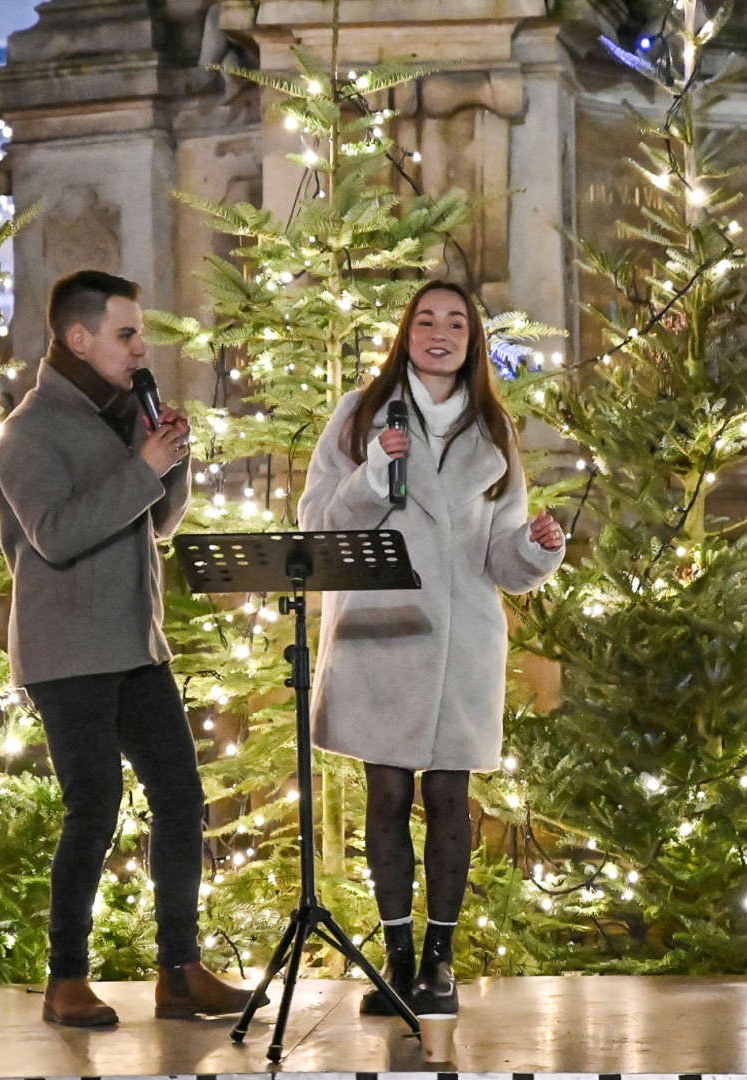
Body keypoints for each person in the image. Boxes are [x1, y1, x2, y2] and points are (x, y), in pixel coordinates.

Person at [0, 269, 257, 1027]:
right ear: (79, 338)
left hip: (137, 645)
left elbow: (159, 523)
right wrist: (143, 466)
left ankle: (181, 972)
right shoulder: (30, 430)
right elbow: (58, 535)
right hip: (68, 653)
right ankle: (65, 978)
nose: (143, 348)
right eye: (127, 333)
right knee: (95, 807)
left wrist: (170, 456)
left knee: (181, 799)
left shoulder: (115, 414)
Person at [297, 280, 565, 1016]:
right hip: (381, 634)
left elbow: (503, 563)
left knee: (449, 795)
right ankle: (397, 957)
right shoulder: (358, 416)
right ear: (405, 332)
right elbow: (316, 522)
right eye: (426, 319)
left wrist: (538, 548)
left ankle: (440, 961)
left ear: (473, 339)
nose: (440, 332)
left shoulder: (493, 431)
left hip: (463, 639)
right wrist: (372, 476)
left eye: (455, 322)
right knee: (385, 795)